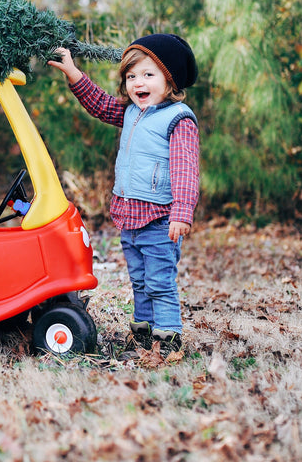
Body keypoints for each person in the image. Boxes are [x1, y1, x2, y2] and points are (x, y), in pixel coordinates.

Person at [48, 34, 200, 359]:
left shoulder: (178, 120)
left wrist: (182, 212)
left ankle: (169, 338)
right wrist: (73, 73)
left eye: (148, 75)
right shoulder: (132, 112)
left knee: (160, 281)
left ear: (169, 79)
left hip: (160, 218)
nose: (137, 83)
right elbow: (101, 105)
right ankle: (143, 333)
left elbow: (186, 169)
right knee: (140, 281)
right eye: (131, 76)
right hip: (130, 217)